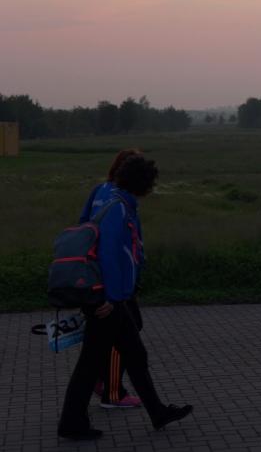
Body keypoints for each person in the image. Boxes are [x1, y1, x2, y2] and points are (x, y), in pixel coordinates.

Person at [58, 155, 193, 440]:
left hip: (112, 298)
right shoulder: (119, 208)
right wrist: (109, 298)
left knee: (135, 355)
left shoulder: (113, 200)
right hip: (107, 301)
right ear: (144, 184)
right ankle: (71, 423)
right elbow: (109, 255)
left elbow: (92, 233)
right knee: (91, 362)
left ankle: (158, 412)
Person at [80, 149, 143, 409]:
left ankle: (101, 382)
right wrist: (114, 292)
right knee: (124, 335)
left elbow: (83, 226)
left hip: (96, 278)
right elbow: (116, 247)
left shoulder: (98, 190)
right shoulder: (120, 201)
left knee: (105, 337)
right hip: (113, 282)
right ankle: (112, 390)